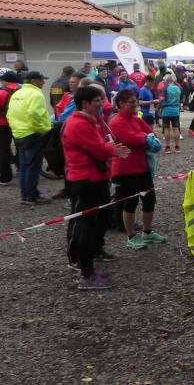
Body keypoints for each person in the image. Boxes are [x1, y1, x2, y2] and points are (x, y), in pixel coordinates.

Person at [63, 85, 130, 290]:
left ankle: (92, 259)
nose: (102, 103)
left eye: (102, 99)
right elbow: (99, 149)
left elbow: (106, 143)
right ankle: (86, 273)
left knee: (99, 221)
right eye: (98, 100)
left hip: (97, 178)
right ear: (85, 103)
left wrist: (111, 147)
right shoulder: (78, 124)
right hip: (85, 180)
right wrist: (112, 149)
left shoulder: (93, 120)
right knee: (86, 226)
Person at [110, 90, 165, 250]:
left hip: (142, 166)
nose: (136, 105)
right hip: (125, 169)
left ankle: (147, 232)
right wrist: (144, 138)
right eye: (132, 102)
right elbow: (131, 139)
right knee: (130, 202)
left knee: (149, 199)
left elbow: (151, 135)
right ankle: (131, 235)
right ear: (120, 104)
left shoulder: (136, 119)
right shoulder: (116, 122)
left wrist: (145, 138)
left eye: (136, 101)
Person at [7, 71, 52, 204]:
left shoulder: (17, 93)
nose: (43, 82)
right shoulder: (36, 94)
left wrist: (16, 129)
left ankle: (25, 196)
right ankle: (32, 196)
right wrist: (43, 129)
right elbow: (34, 114)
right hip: (32, 135)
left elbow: (9, 114)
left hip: (19, 134)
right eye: (41, 80)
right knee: (33, 167)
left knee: (24, 167)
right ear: (33, 81)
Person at [0, 69, 20, 186]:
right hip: (18, 123)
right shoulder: (20, 90)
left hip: (3, 125)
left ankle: (5, 177)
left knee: (3, 150)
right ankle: (21, 168)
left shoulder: (2, 92)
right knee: (20, 147)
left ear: (4, 81)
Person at [159, 74, 182, 154]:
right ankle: (177, 147)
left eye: (164, 81)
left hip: (166, 110)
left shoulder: (165, 88)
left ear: (167, 80)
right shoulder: (178, 88)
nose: (163, 82)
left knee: (166, 128)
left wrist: (159, 101)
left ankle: (168, 147)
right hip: (175, 110)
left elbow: (162, 99)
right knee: (176, 128)